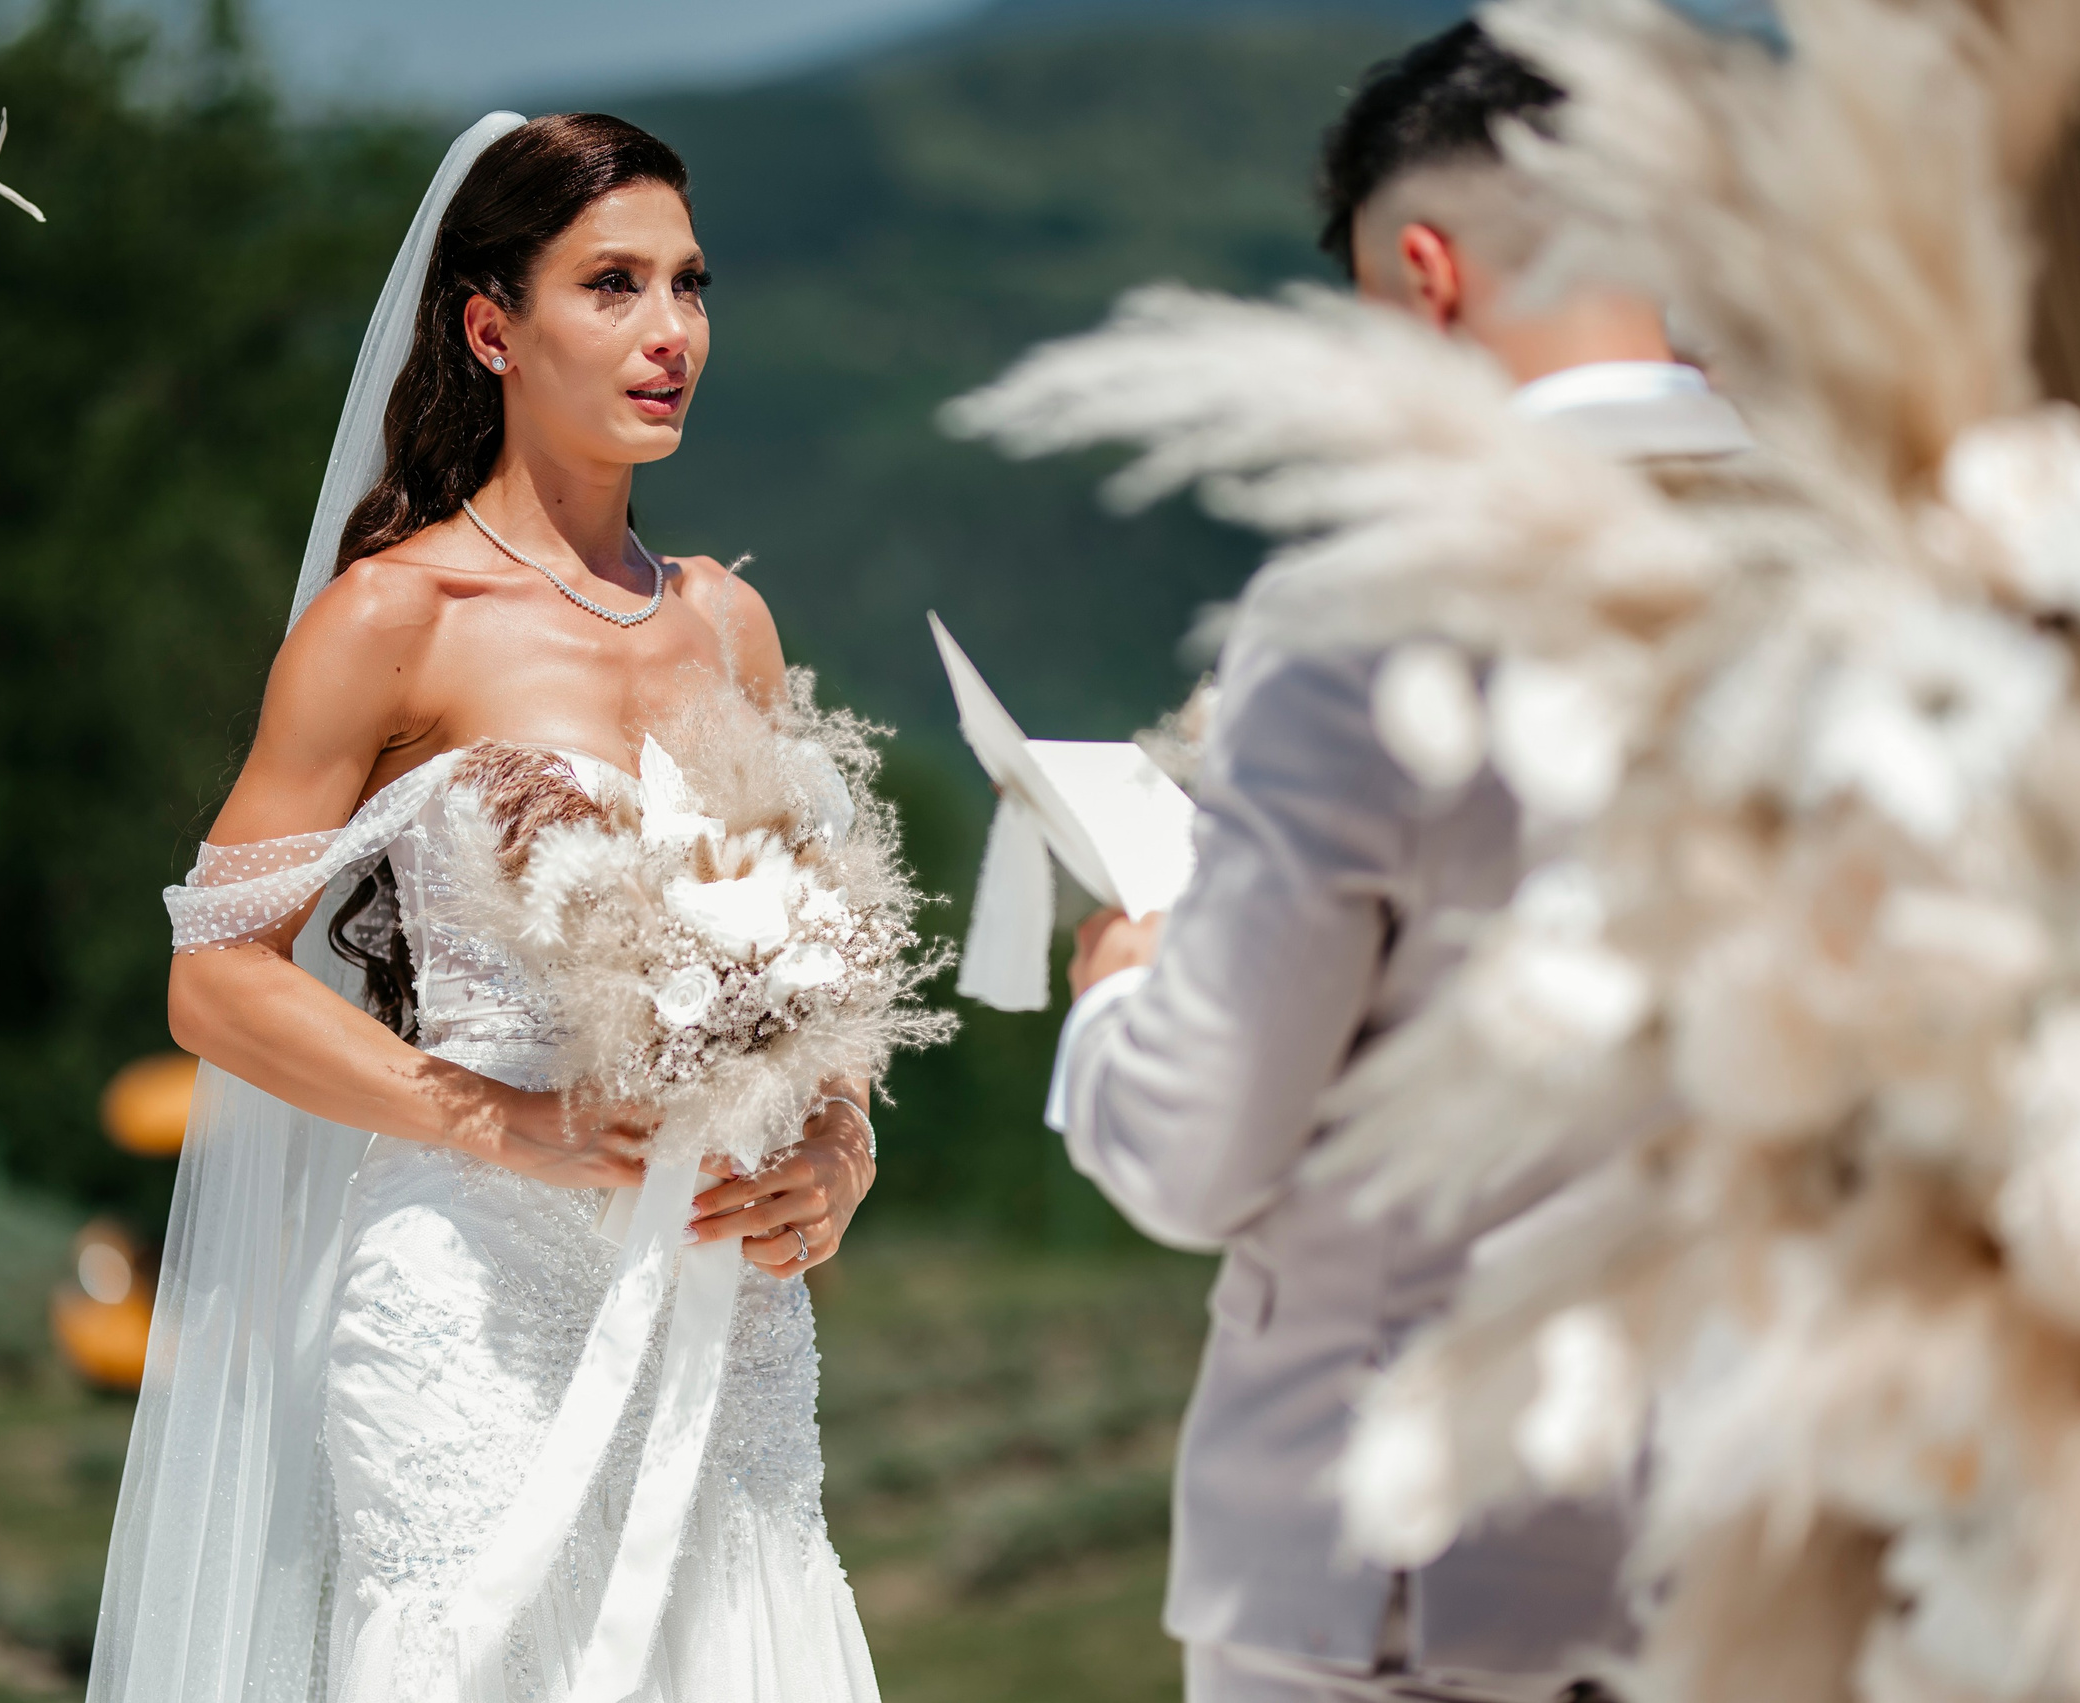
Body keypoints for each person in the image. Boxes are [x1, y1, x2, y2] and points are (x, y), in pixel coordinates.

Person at [88, 113, 884, 1703]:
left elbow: (816, 970)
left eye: (689, 285)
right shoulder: (396, 616)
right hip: (467, 1317)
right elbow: (212, 981)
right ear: (490, 326)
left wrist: (839, 1145)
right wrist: (498, 1121)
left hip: (720, 1312)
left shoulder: (728, 623)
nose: (670, 334)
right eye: (613, 286)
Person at [1046, 24, 1748, 1703]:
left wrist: (1116, 1001)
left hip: (1410, 1563)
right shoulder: (1895, 557)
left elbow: (1200, 1149)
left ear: (1424, 277)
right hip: (1779, 1552)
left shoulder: (1380, 599)